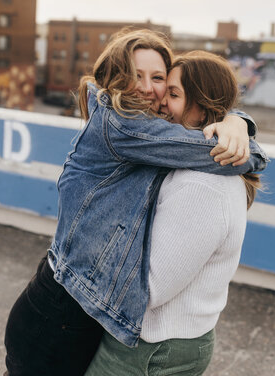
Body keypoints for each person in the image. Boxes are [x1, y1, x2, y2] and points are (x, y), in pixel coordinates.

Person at [4, 30, 268, 376]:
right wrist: (243, 135)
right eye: (135, 75)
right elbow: (222, 152)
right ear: (115, 79)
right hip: (58, 312)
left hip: (82, 311)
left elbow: (203, 107)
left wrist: (234, 118)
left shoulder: (156, 136)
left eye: (159, 80)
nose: (148, 88)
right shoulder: (122, 127)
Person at [84, 50, 263, 376]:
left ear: (203, 107)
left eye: (174, 94)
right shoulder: (189, 162)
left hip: (153, 345)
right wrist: (238, 120)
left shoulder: (202, 186)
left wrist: (85, 269)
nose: (161, 102)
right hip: (157, 339)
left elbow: (151, 288)